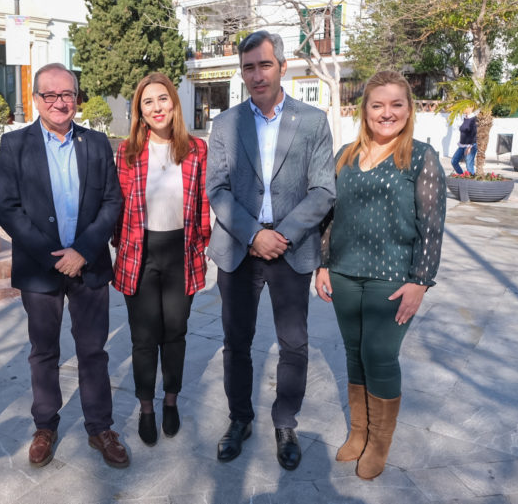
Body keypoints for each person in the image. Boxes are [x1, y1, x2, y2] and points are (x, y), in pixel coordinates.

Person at [206, 30, 336, 470]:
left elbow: (323, 190)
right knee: (235, 342)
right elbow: (217, 189)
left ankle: (285, 422)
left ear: (282, 66)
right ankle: (239, 419)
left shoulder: (313, 121)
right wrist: (253, 234)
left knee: (294, 344)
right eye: (248, 67)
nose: (256, 74)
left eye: (264, 64)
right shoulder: (225, 124)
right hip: (240, 248)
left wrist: (283, 234)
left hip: (291, 247)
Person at [315, 70, 446, 480]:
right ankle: (359, 432)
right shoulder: (344, 155)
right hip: (344, 274)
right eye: (377, 105)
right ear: (364, 110)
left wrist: (420, 282)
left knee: (380, 355)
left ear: (408, 109)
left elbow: (432, 224)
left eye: (396, 105)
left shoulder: (421, 157)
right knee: (354, 352)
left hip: (393, 278)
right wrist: (322, 264)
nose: (386, 113)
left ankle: (378, 443)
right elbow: (330, 217)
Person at [0, 63, 127, 469]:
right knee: (43, 351)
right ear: (35, 99)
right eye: (49, 95)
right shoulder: (15, 144)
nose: (59, 102)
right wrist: (53, 253)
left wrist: (83, 251)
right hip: (40, 268)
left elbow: (112, 202)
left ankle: (99, 427)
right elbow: (8, 208)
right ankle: (45, 426)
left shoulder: (97, 142)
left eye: (66, 94)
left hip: (88, 266)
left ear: (77, 98)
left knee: (93, 352)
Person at [111, 73, 211, 446]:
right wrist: (119, 244)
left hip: (181, 254)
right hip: (140, 252)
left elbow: (202, 203)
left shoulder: (196, 150)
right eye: (148, 102)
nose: (156, 108)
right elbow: (118, 206)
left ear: (174, 103)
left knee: (175, 332)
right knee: (142, 337)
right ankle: (146, 406)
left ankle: (170, 399)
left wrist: (202, 244)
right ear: (140, 110)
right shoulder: (127, 152)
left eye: (162, 99)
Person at [450, 107, 477, 175]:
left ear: (471, 108)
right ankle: (461, 176)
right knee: (454, 161)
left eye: (465, 107)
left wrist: (470, 147)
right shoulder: (465, 118)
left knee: (469, 166)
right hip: (462, 145)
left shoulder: (474, 119)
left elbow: (474, 134)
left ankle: (471, 182)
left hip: (470, 145)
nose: (463, 108)